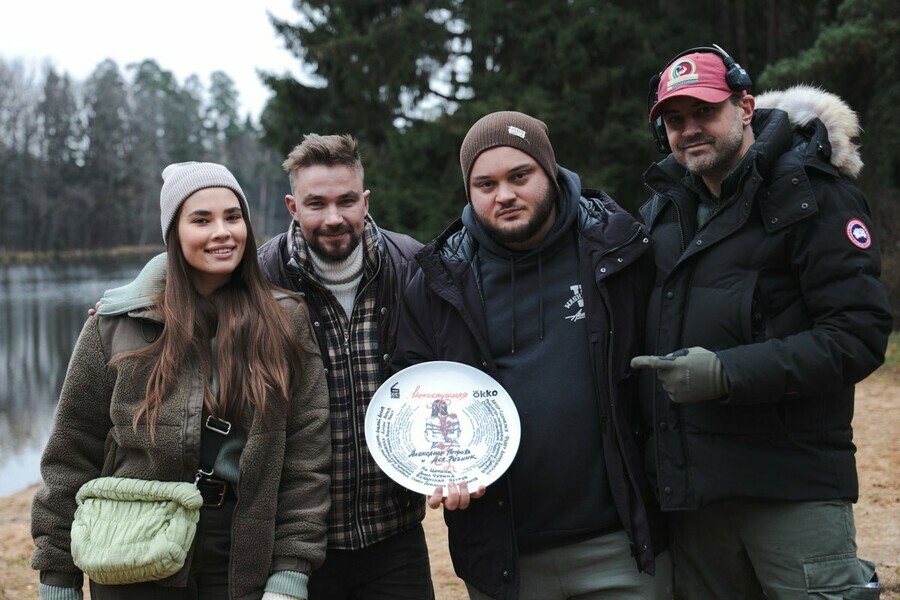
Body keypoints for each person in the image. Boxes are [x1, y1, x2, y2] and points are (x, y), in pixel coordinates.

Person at [631, 45, 892, 599]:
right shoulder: (661, 213)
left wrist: (728, 374)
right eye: (674, 121)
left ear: (744, 105)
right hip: (694, 501)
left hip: (791, 490)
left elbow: (858, 334)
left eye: (705, 112)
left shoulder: (815, 194)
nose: (689, 130)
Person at [392, 111, 671, 600]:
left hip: (623, 547)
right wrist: (440, 468)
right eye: (485, 184)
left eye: (520, 176)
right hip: (506, 557)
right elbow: (409, 390)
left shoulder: (620, 249)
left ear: (550, 171)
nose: (504, 195)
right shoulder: (438, 280)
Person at [31, 162, 331, 600]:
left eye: (233, 216)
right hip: (130, 549)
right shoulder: (114, 324)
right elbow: (71, 453)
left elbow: (307, 456)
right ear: (174, 232)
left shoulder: (285, 320)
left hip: (240, 551)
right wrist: (57, 578)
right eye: (201, 220)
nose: (222, 232)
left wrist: (291, 573)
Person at [255, 134, 431, 599]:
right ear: (293, 206)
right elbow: (187, 301)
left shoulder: (411, 264)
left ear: (365, 201)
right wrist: (127, 304)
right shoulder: (259, 279)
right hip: (295, 543)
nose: (333, 218)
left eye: (346, 201)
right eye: (316, 204)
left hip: (395, 533)